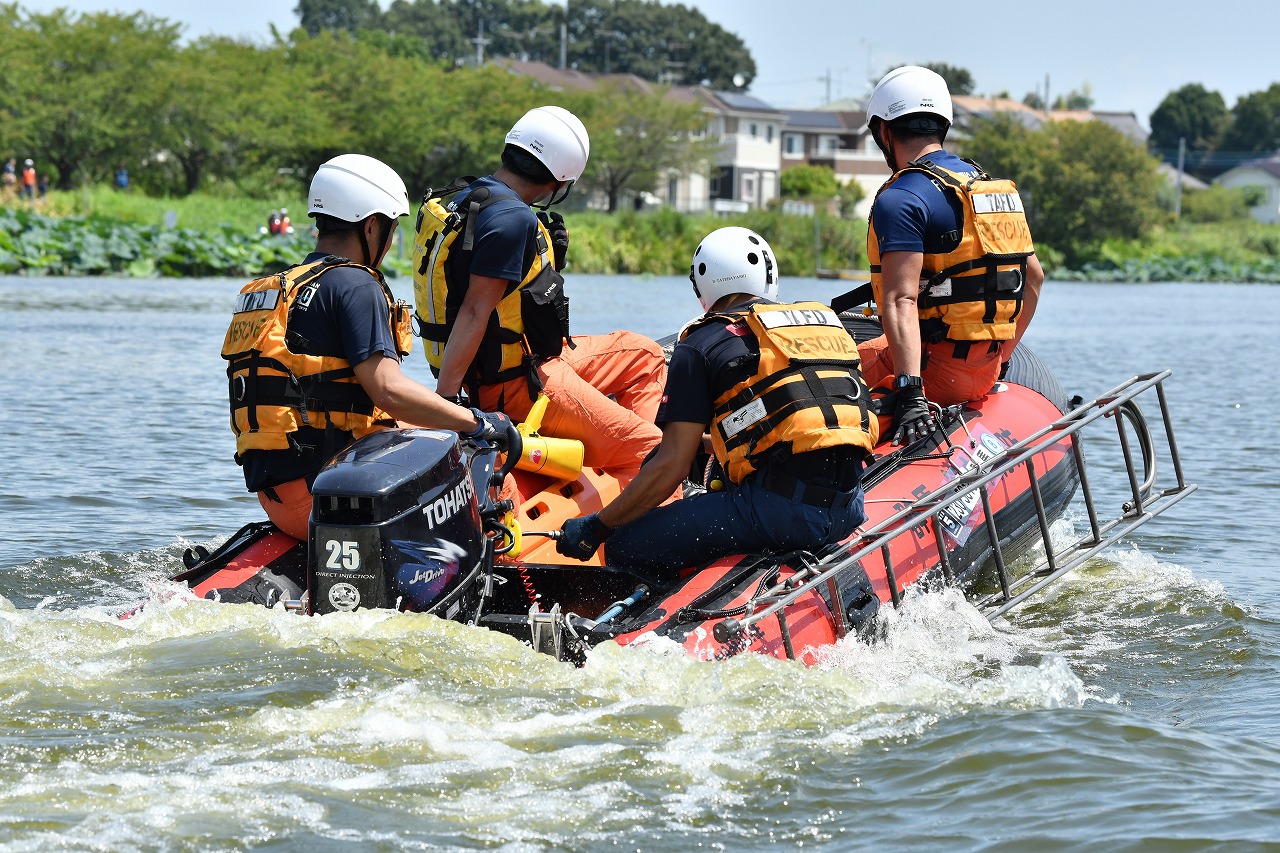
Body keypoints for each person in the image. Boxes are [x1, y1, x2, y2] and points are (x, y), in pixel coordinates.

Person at [554, 227, 878, 578]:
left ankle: (662, 613)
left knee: (624, 544)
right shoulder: (822, 326)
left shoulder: (700, 343)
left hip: (780, 512)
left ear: (704, 287)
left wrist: (596, 528)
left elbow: (672, 467)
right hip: (849, 506)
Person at [223, 153, 511, 541]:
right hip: (329, 500)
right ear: (372, 227)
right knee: (460, 444)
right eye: (391, 230)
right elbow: (388, 390)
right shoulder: (356, 285)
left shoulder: (281, 288)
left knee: (429, 425)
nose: (390, 243)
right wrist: (478, 422)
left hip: (275, 498)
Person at [426, 106, 667, 486]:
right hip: (513, 385)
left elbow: (504, 301)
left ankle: (613, 454)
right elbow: (474, 312)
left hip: (525, 359)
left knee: (646, 354)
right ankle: (636, 484)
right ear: (560, 180)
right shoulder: (511, 220)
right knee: (653, 451)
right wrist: (448, 408)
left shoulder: (464, 197)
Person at [858, 65, 1044, 446]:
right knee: (866, 347)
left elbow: (900, 299)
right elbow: (1034, 279)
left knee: (814, 374)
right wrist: (999, 359)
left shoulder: (901, 198)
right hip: (985, 368)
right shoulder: (987, 187)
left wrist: (912, 394)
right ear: (943, 124)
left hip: (932, 373)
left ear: (883, 131)